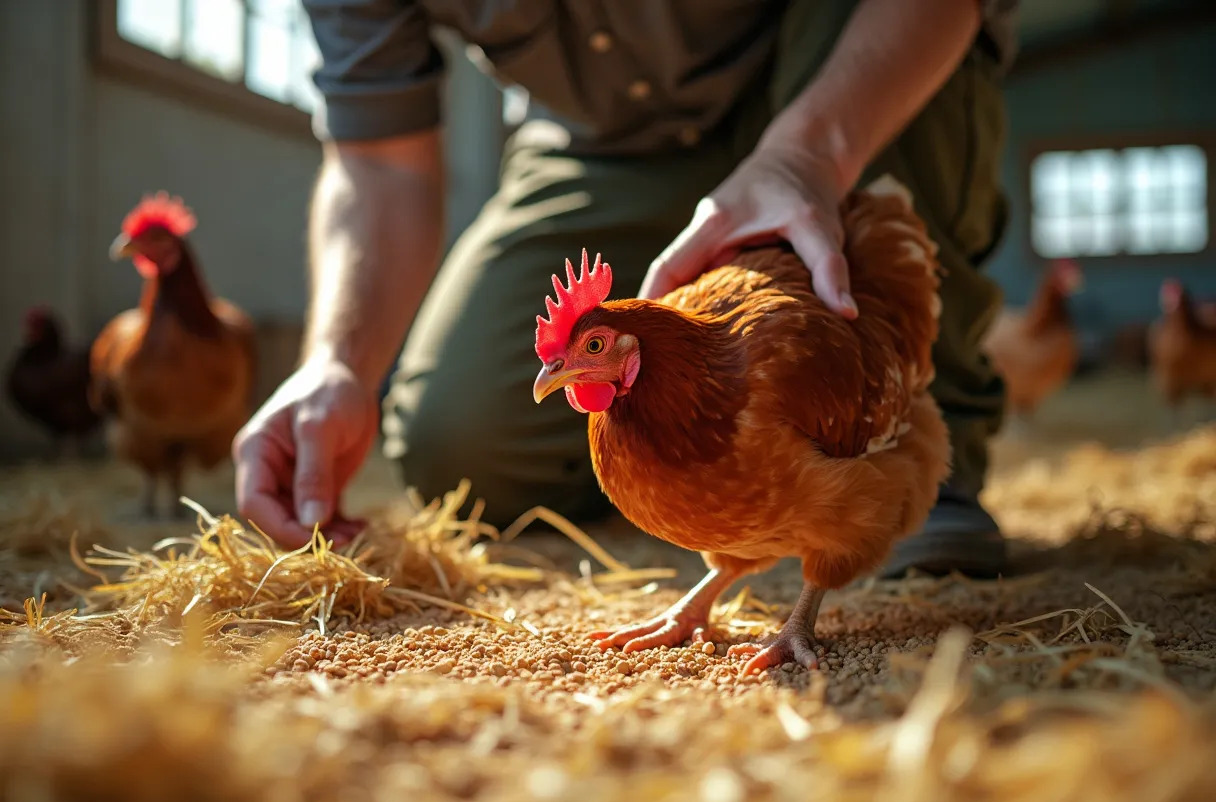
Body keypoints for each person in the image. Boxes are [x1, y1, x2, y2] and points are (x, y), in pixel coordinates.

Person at [234, 0, 1018, 578]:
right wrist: (337, 360)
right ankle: (712, 487)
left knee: (852, 290)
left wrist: (807, 152)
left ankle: (927, 457)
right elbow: (380, 159)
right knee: (463, 448)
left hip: (834, 79)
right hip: (602, 144)